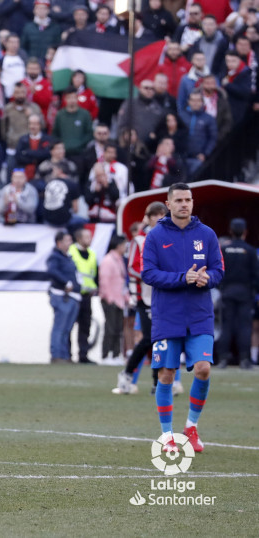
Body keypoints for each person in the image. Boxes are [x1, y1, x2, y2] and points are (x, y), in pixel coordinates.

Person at [141, 183, 223, 453]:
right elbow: (149, 274)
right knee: (166, 374)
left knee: (203, 368)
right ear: (168, 203)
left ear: (192, 202)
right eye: (178, 200)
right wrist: (182, 277)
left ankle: (191, 427)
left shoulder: (207, 234)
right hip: (167, 317)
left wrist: (207, 277)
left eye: (188, 199)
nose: (184, 204)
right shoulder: (155, 236)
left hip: (199, 316)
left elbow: (219, 270)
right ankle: (168, 436)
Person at [115, 202, 167, 395]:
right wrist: (153, 275)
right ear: (149, 217)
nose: (160, 218)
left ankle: (157, 382)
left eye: (163, 215)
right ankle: (128, 375)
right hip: (145, 296)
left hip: (164, 295)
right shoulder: (140, 240)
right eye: (156, 215)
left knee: (160, 339)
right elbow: (132, 268)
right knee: (149, 338)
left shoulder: (169, 238)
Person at [217, 218, 259, 369]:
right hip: (245, 293)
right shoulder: (250, 250)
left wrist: (221, 287)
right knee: (244, 326)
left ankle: (222, 359)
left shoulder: (224, 250)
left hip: (227, 292)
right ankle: (244, 359)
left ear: (230, 231)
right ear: (245, 232)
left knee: (226, 325)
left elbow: (218, 271)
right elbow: (256, 275)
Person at [46, 230, 80, 363]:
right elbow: (52, 271)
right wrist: (66, 282)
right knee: (59, 327)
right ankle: (57, 355)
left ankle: (65, 355)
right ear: (59, 243)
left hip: (72, 296)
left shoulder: (68, 257)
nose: (70, 243)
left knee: (67, 328)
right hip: (62, 296)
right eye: (67, 240)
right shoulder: (55, 257)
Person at [68, 228, 97, 364]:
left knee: (86, 326)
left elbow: (93, 275)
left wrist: (94, 287)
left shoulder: (92, 254)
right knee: (69, 325)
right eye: (87, 237)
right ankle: (66, 354)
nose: (90, 239)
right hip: (73, 295)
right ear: (79, 238)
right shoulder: (71, 252)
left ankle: (83, 355)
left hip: (87, 296)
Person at [99, 235, 128, 364]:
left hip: (119, 300)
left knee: (118, 329)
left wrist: (126, 298)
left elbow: (121, 282)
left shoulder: (119, 260)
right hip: (110, 300)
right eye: (123, 245)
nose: (125, 247)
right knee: (110, 328)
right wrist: (109, 298)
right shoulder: (108, 260)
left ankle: (116, 354)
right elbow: (104, 281)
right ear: (118, 245)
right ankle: (106, 355)